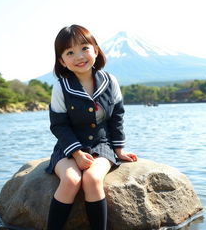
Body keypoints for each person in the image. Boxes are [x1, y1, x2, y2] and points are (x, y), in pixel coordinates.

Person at [46, 24, 138, 230]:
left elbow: (117, 116)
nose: (79, 56)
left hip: (101, 145)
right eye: (70, 52)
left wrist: (119, 150)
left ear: (96, 50)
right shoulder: (61, 86)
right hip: (67, 148)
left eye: (84, 48)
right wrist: (77, 153)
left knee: (92, 179)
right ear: (62, 61)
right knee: (71, 180)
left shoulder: (110, 81)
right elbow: (58, 125)